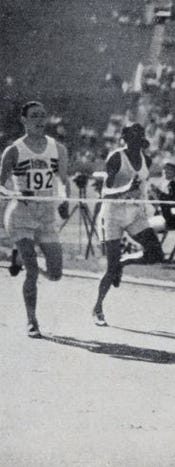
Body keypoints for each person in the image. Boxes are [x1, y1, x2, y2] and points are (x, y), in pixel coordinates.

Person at [0, 101, 71, 338]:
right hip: (21, 215)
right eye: (34, 116)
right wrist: (16, 193)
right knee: (31, 271)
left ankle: (18, 256)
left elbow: (62, 181)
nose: (40, 120)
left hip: (46, 216)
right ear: (24, 120)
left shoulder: (57, 148)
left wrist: (64, 201)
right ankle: (32, 321)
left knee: (56, 273)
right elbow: (1, 186)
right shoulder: (14, 151)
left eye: (43, 115)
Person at [92, 123, 166, 327]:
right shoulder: (116, 157)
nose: (136, 143)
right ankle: (98, 308)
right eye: (132, 138)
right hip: (113, 214)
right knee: (111, 269)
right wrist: (126, 187)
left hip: (134, 214)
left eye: (139, 138)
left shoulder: (146, 160)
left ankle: (125, 261)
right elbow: (105, 192)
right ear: (126, 139)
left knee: (156, 254)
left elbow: (142, 186)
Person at [149, 159, 175, 230]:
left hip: (170, 217)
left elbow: (174, 202)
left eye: (170, 169)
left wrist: (158, 192)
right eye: (165, 168)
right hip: (158, 213)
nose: (167, 171)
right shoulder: (159, 184)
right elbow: (152, 200)